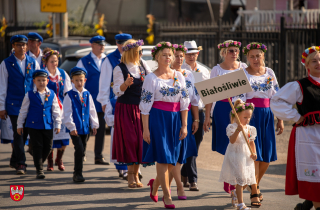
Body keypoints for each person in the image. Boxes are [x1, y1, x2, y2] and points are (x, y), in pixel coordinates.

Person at [270, 46, 320, 210]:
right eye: (314, 61)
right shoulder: (300, 86)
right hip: (309, 135)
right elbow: (276, 101)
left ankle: (307, 203)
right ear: (307, 65)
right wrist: (296, 117)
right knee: (313, 169)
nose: (318, 63)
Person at [141, 42, 189, 208]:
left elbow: (184, 103)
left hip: (175, 119)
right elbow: (145, 107)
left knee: (172, 160)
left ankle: (155, 185)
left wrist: (184, 125)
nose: (168, 58)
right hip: (158, 119)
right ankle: (166, 195)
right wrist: (145, 129)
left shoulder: (179, 76)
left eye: (170, 54)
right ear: (156, 57)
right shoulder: (150, 78)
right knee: (162, 157)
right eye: (164, 55)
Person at [203, 40, 247, 196]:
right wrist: (207, 116)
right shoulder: (216, 70)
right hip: (222, 109)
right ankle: (230, 179)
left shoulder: (243, 68)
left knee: (239, 144)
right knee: (228, 144)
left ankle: (234, 180)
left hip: (240, 109)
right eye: (230, 51)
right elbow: (209, 94)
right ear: (223, 53)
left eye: (236, 50)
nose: (234, 53)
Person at [243, 42, 284, 202]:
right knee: (255, 154)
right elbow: (239, 98)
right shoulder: (243, 73)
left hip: (267, 115)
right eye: (251, 56)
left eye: (258, 55)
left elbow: (277, 97)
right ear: (247, 57)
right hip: (251, 116)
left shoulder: (269, 72)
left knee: (266, 156)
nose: (255, 59)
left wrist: (279, 119)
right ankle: (254, 192)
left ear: (263, 56)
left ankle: (255, 185)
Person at [112, 39, 151, 188]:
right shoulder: (119, 68)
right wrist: (125, 84)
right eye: (139, 52)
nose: (141, 54)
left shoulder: (142, 65)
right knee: (130, 141)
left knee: (139, 142)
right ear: (132, 52)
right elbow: (117, 91)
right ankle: (130, 177)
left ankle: (136, 176)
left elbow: (150, 80)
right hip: (126, 109)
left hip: (141, 109)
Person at [0, 35, 40, 174]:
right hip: (13, 104)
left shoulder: (33, 62)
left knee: (25, 133)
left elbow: (38, 82)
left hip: (30, 103)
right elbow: (2, 87)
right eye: (18, 45)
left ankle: (14, 158)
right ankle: (21, 163)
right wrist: (2, 107)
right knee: (19, 132)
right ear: (13, 46)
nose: (21, 48)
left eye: (23, 45)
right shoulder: (6, 63)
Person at [97, 33, 132, 178]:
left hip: (134, 102)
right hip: (116, 101)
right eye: (119, 44)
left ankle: (133, 166)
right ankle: (122, 166)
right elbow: (104, 82)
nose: (122, 46)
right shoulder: (109, 60)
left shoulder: (135, 58)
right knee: (119, 135)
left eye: (125, 43)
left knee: (133, 135)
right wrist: (105, 102)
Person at [16, 69, 61, 179]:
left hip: (48, 125)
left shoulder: (51, 94)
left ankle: (38, 161)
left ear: (47, 81)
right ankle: (39, 170)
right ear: (34, 81)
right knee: (38, 147)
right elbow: (23, 110)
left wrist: (58, 124)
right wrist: (19, 125)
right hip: (34, 125)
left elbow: (56, 110)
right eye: (39, 80)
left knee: (48, 147)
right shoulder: (30, 94)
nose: (41, 83)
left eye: (44, 80)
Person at [169, 43, 199, 200]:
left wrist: (196, 119)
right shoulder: (166, 73)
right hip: (170, 116)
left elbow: (193, 99)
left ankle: (164, 184)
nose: (180, 59)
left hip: (186, 116)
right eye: (177, 55)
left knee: (182, 153)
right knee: (170, 153)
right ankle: (176, 185)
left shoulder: (188, 74)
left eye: (182, 56)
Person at [219, 99, 259, 210]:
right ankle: (241, 204)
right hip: (235, 155)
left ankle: (236, 194)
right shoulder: (232, 127)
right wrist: (238, 130)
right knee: (241, 179)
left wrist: (254, 152)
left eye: (249, 117)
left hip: (245, 156)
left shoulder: (250, 129)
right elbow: (232, 141)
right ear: (237, 116)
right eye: (245, 117)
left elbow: (251, 142)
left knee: (245, 179)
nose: (247, 120)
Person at [180, 40, 210, 191]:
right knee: (189, 142)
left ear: (198, 53)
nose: (191, 57)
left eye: (194, 54)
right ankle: (193, 179)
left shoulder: (204, 71)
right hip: (186, 110)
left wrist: (209, 116)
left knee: (196, 144)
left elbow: (210, 94)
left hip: (201, 110)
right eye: (188, 54)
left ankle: (184, 173)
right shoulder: (180, 70)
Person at [63, 67, 99, 182]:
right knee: (79, 148)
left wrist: (94, 125)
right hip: (76, 128)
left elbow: (92, 110)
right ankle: (77, 174)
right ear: (72, 81)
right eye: (76, 80)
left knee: (82, 150)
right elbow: (67, 113)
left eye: (81, 80)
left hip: (85, 128)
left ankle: (79, 172)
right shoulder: (69, 95)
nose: (79, 82)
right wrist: (71, 127)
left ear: (85, 80)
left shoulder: (87, 94)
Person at [76, 35, 108, 165]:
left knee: (100, 129)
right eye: (98, 44)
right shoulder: (84, 61)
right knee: (86, 128)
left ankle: (98, 156)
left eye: (103, 45)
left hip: (102, 102)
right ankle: (82, 152)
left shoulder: (107, 60)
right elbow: (78, 80)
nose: (101, 47)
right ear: (92, 45)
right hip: (88, 101)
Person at [42, 48, 72, 171]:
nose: (55, 63)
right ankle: (50, 161)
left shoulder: (63, 74)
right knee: (50, 137)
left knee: (64, 137)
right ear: (46, 62)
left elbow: (68, 91)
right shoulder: (42, 74)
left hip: (62, 108)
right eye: (52, 61)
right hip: (48, 108)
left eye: (56, 61)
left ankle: (59, 159)